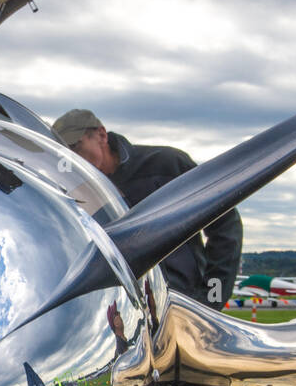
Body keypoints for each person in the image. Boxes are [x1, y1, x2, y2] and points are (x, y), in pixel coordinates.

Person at [52, 109, 242, 310]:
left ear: (101, 135)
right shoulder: (74, 193)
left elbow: (225, 223)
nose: (71, 159)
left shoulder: (168, 165)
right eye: (63, 153)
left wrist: (211, 300)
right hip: (123, 316)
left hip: (183, 307)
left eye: (75, 147)